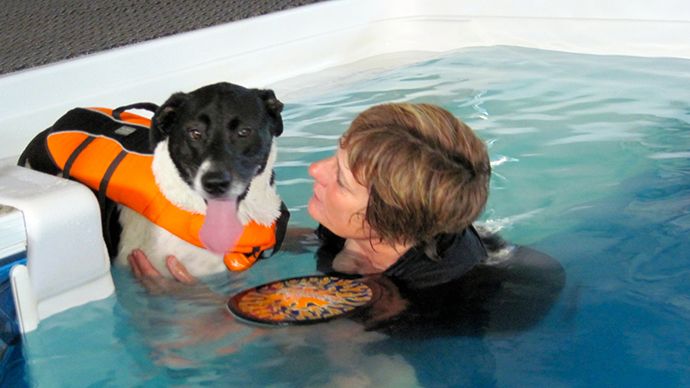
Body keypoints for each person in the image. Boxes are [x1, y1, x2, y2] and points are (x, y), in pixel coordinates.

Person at [129, 102, 564, 335]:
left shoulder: (392, 302)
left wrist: (212, 310)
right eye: (336, 155)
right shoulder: (360, 227)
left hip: (495, 299)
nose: (315, 171)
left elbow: (321, 359)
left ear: (380, 221)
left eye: (340, 178)